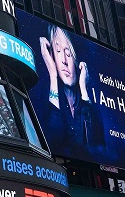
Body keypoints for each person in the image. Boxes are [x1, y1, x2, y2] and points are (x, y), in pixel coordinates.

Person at [39, 26, 106, 154]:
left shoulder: (90, 107)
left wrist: (83, 89)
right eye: (58, 51)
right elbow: (52, 145)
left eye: (68, 53)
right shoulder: (42, 98)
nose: (64, 60)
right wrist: (53, 75)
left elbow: (97, 149)